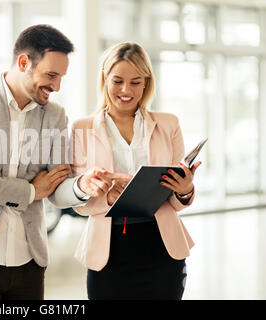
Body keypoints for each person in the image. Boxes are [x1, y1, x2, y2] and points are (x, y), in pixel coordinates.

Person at [0, 24, 122, 300]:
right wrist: (31, 191)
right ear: (24, 62)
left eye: (61, 77)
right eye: (51, 75)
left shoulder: (56, 116)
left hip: (28, 261)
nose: (56, 86)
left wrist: (82, 185)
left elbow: (56, 189)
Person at [71, 42, 202, 300]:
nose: (125, 90)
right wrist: (107, 196)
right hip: (108, 252)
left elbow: (176, 202)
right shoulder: (81, 128)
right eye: (117, 80)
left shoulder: (168, 124)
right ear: (104, 78)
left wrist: (185, 190)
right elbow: (78, 204)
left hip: (162, 248)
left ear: (146, 83)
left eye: (135, 82)